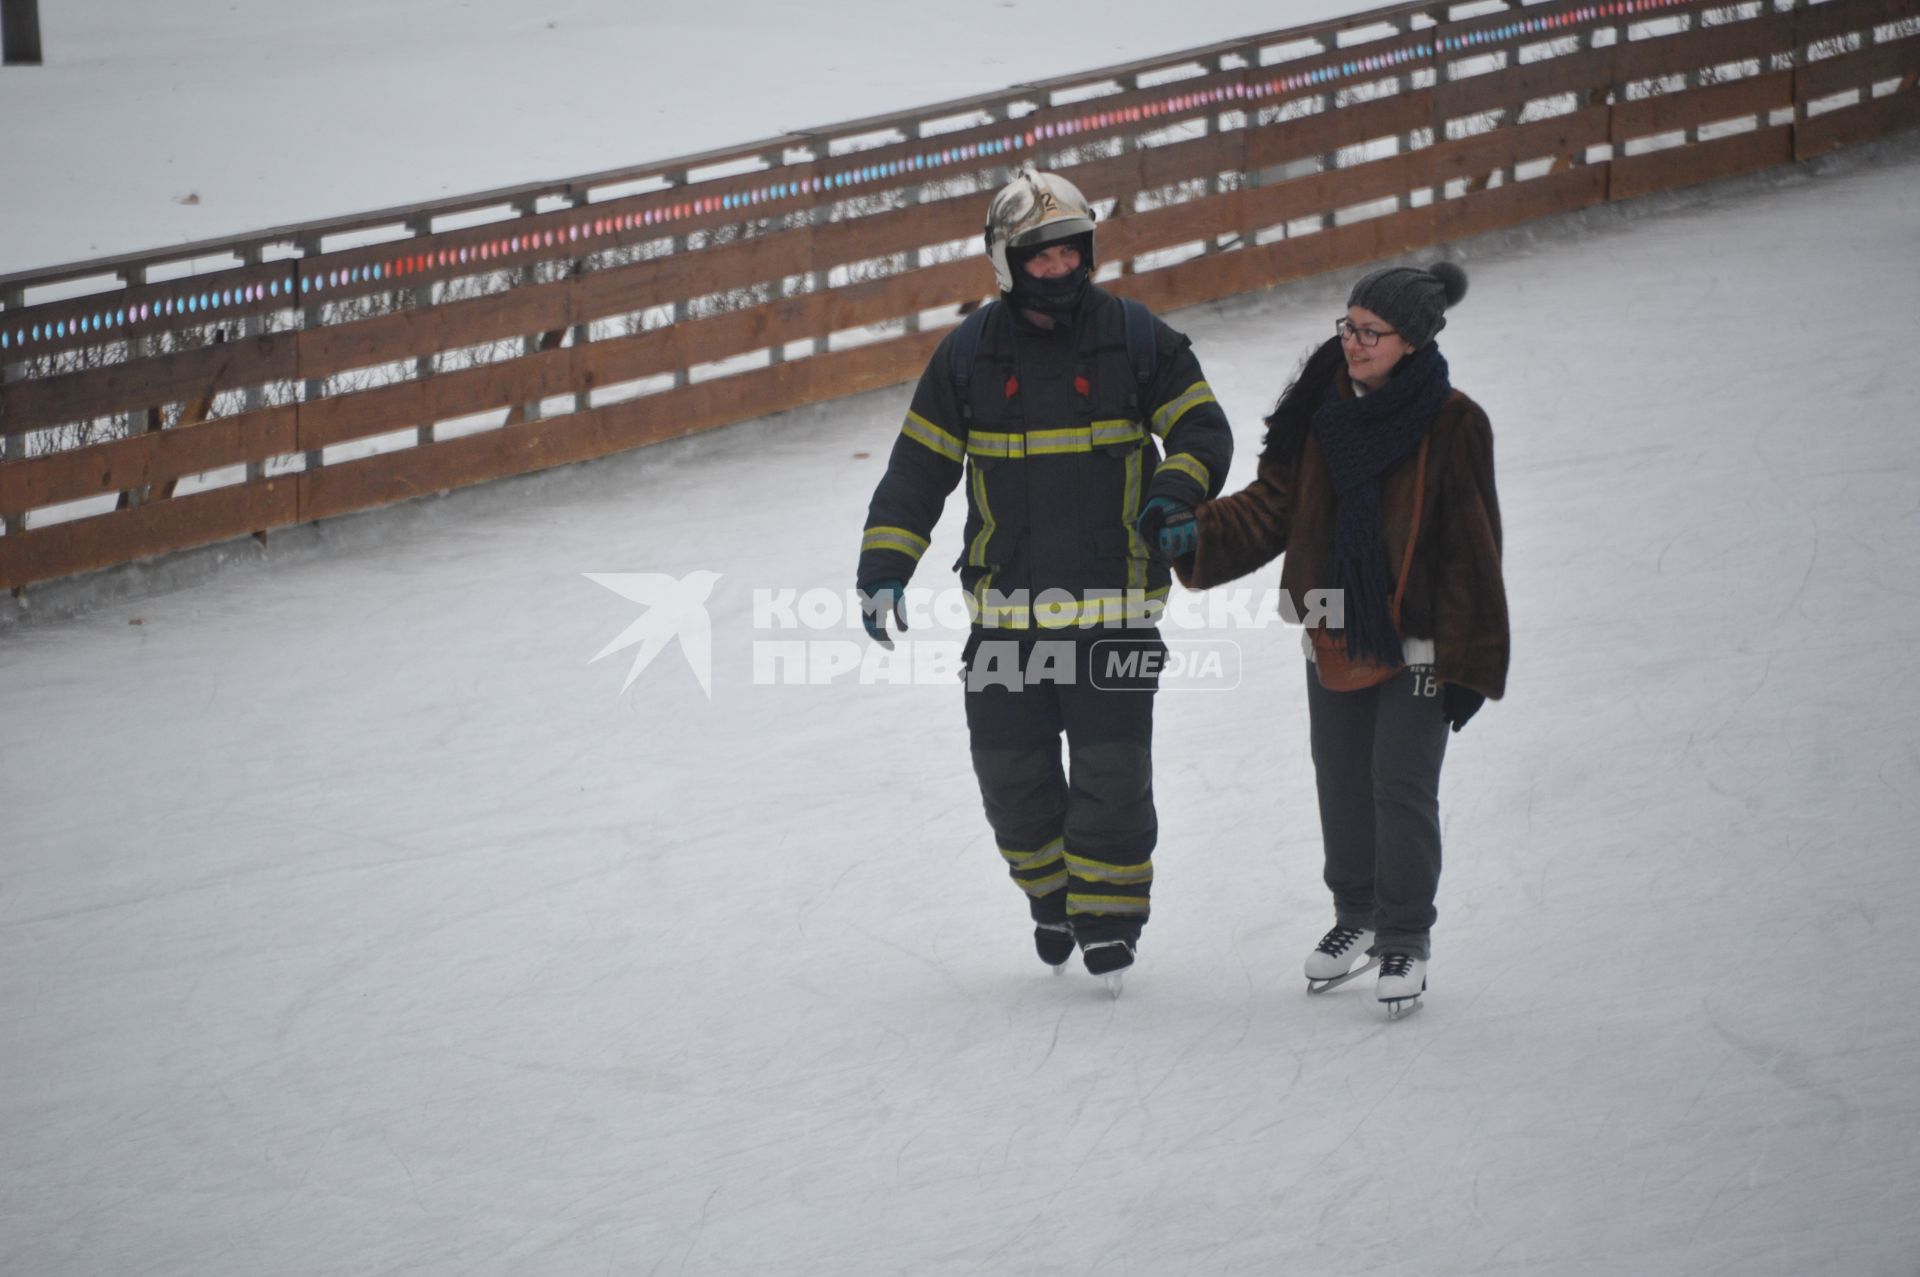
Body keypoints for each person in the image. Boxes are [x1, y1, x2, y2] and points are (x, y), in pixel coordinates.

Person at [855, 163, 1233, 986]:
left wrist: (1176, 490)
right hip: (1007, 620)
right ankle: (1053, 893)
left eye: (1071, 252)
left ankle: (1109, 917)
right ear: (1005, 263)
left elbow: (1203, 429)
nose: (1060, 269)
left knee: (1111, 778)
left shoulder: (1138, 338)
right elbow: (917, 471)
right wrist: (884, 563)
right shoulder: (967, 356)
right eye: (1040, 257)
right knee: (1011, 780)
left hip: (1117, 613)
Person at [1175, 261, 1508, 1012]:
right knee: (1342, 779)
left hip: (1420, 637)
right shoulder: (1320, 414)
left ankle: (1404, 936)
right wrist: (1192, 535)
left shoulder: (1455, 422)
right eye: (1348, 326)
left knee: (1401, 781)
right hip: (1334, 627)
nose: (1352, 343)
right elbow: (1272, 507)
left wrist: (1468, 655)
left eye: (1371, 332)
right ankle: (1355, 919)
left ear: (1413, 341)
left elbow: (1476, 543)